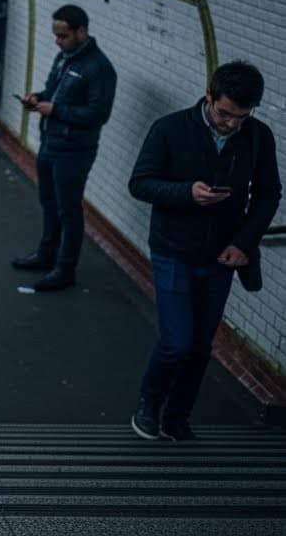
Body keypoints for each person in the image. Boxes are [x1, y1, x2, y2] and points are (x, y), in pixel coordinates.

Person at [129, 61, 280, 442]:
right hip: (173, 250)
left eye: (241, 117)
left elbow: (268, 195)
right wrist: (186, 193)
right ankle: (149, 404)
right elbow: (141, 183)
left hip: (221, 257)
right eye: (224, 113)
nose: (231, 123)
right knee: (176, 340)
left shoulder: (258, 137)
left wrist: (243, 244)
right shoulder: (169, 129)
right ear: (209, 96)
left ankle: (177, 416)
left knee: (199, 346)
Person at [11, 5, 117, 290]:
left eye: (64, 35)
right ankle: (47, 254)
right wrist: (38, 98)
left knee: (68, 209)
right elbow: (54, 92)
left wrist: (55, 110)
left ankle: (65, 268)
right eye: (56, 35)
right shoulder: (64, 58)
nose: (58, 41)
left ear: (82, 31)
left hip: (74, 150)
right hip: (51, 142)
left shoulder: (100, 69)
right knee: (49, 202)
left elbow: (98, 115)